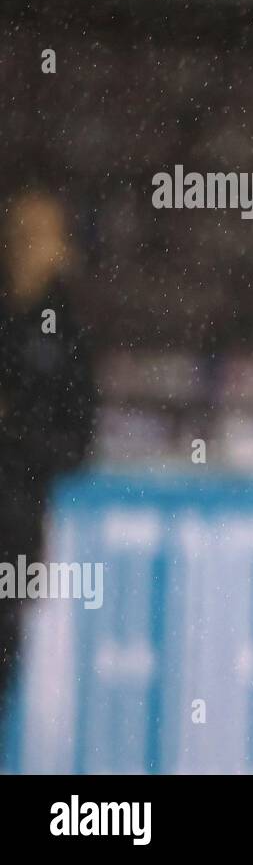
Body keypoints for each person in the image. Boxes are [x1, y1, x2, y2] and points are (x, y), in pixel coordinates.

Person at [0, 187, 96, 711]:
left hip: (15, 523)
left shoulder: (65, 331)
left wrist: (15, 430)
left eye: (38, 235)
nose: (26, 245)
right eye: (19, 233)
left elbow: (77, 438)